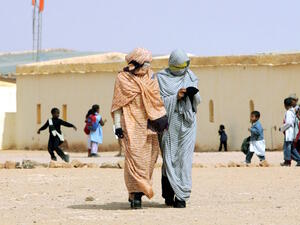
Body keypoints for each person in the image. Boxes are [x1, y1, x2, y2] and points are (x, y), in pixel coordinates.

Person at [111, 48, 168, 209]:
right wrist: (117, 126)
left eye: (149, 63)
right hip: (130, 125)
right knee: (133, 160)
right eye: (145, 63)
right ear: (136, 63)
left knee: (149, 160)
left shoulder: (151, 77)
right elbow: (117, 104)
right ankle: (136, 194)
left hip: (149, 126)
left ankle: (138, 192)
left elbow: (157, 99)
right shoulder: (123, 79)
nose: (147, 67)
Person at [156, 49, 202, 208]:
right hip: (170, 123)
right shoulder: (160, 78)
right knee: (170, 158)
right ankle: (169, 195)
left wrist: (191, 94)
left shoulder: (190, 76)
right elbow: (157, 103)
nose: (184, 68)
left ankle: (181, 197)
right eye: (180, 65)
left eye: (186, 65)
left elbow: (197, 101)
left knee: (184, 160)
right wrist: (175, 96)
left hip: (188, 123)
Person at [280, 98, 300, 166]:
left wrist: (282, 128)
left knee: (287, 148)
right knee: (291, 148)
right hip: (290, 133)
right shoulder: (292, 111)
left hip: (289, 133)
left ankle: (287, 161)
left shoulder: (288, 112)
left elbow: (289, 123)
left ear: (285, 105)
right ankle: (299, 160)